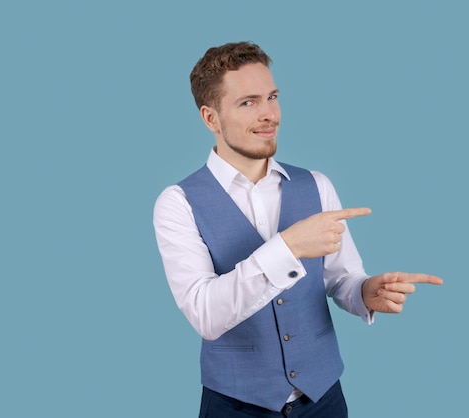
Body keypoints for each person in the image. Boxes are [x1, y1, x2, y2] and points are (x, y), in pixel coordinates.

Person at [153, 41, 443, 418]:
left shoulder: (316, 185)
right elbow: (205, 314)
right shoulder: (178, 203)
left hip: (323, 399)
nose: (269, 114)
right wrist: (286, 247)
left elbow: (342, 279)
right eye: (248, 102)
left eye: (272, 97)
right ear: (211, 118)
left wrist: (367, 291)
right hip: (236, 405)